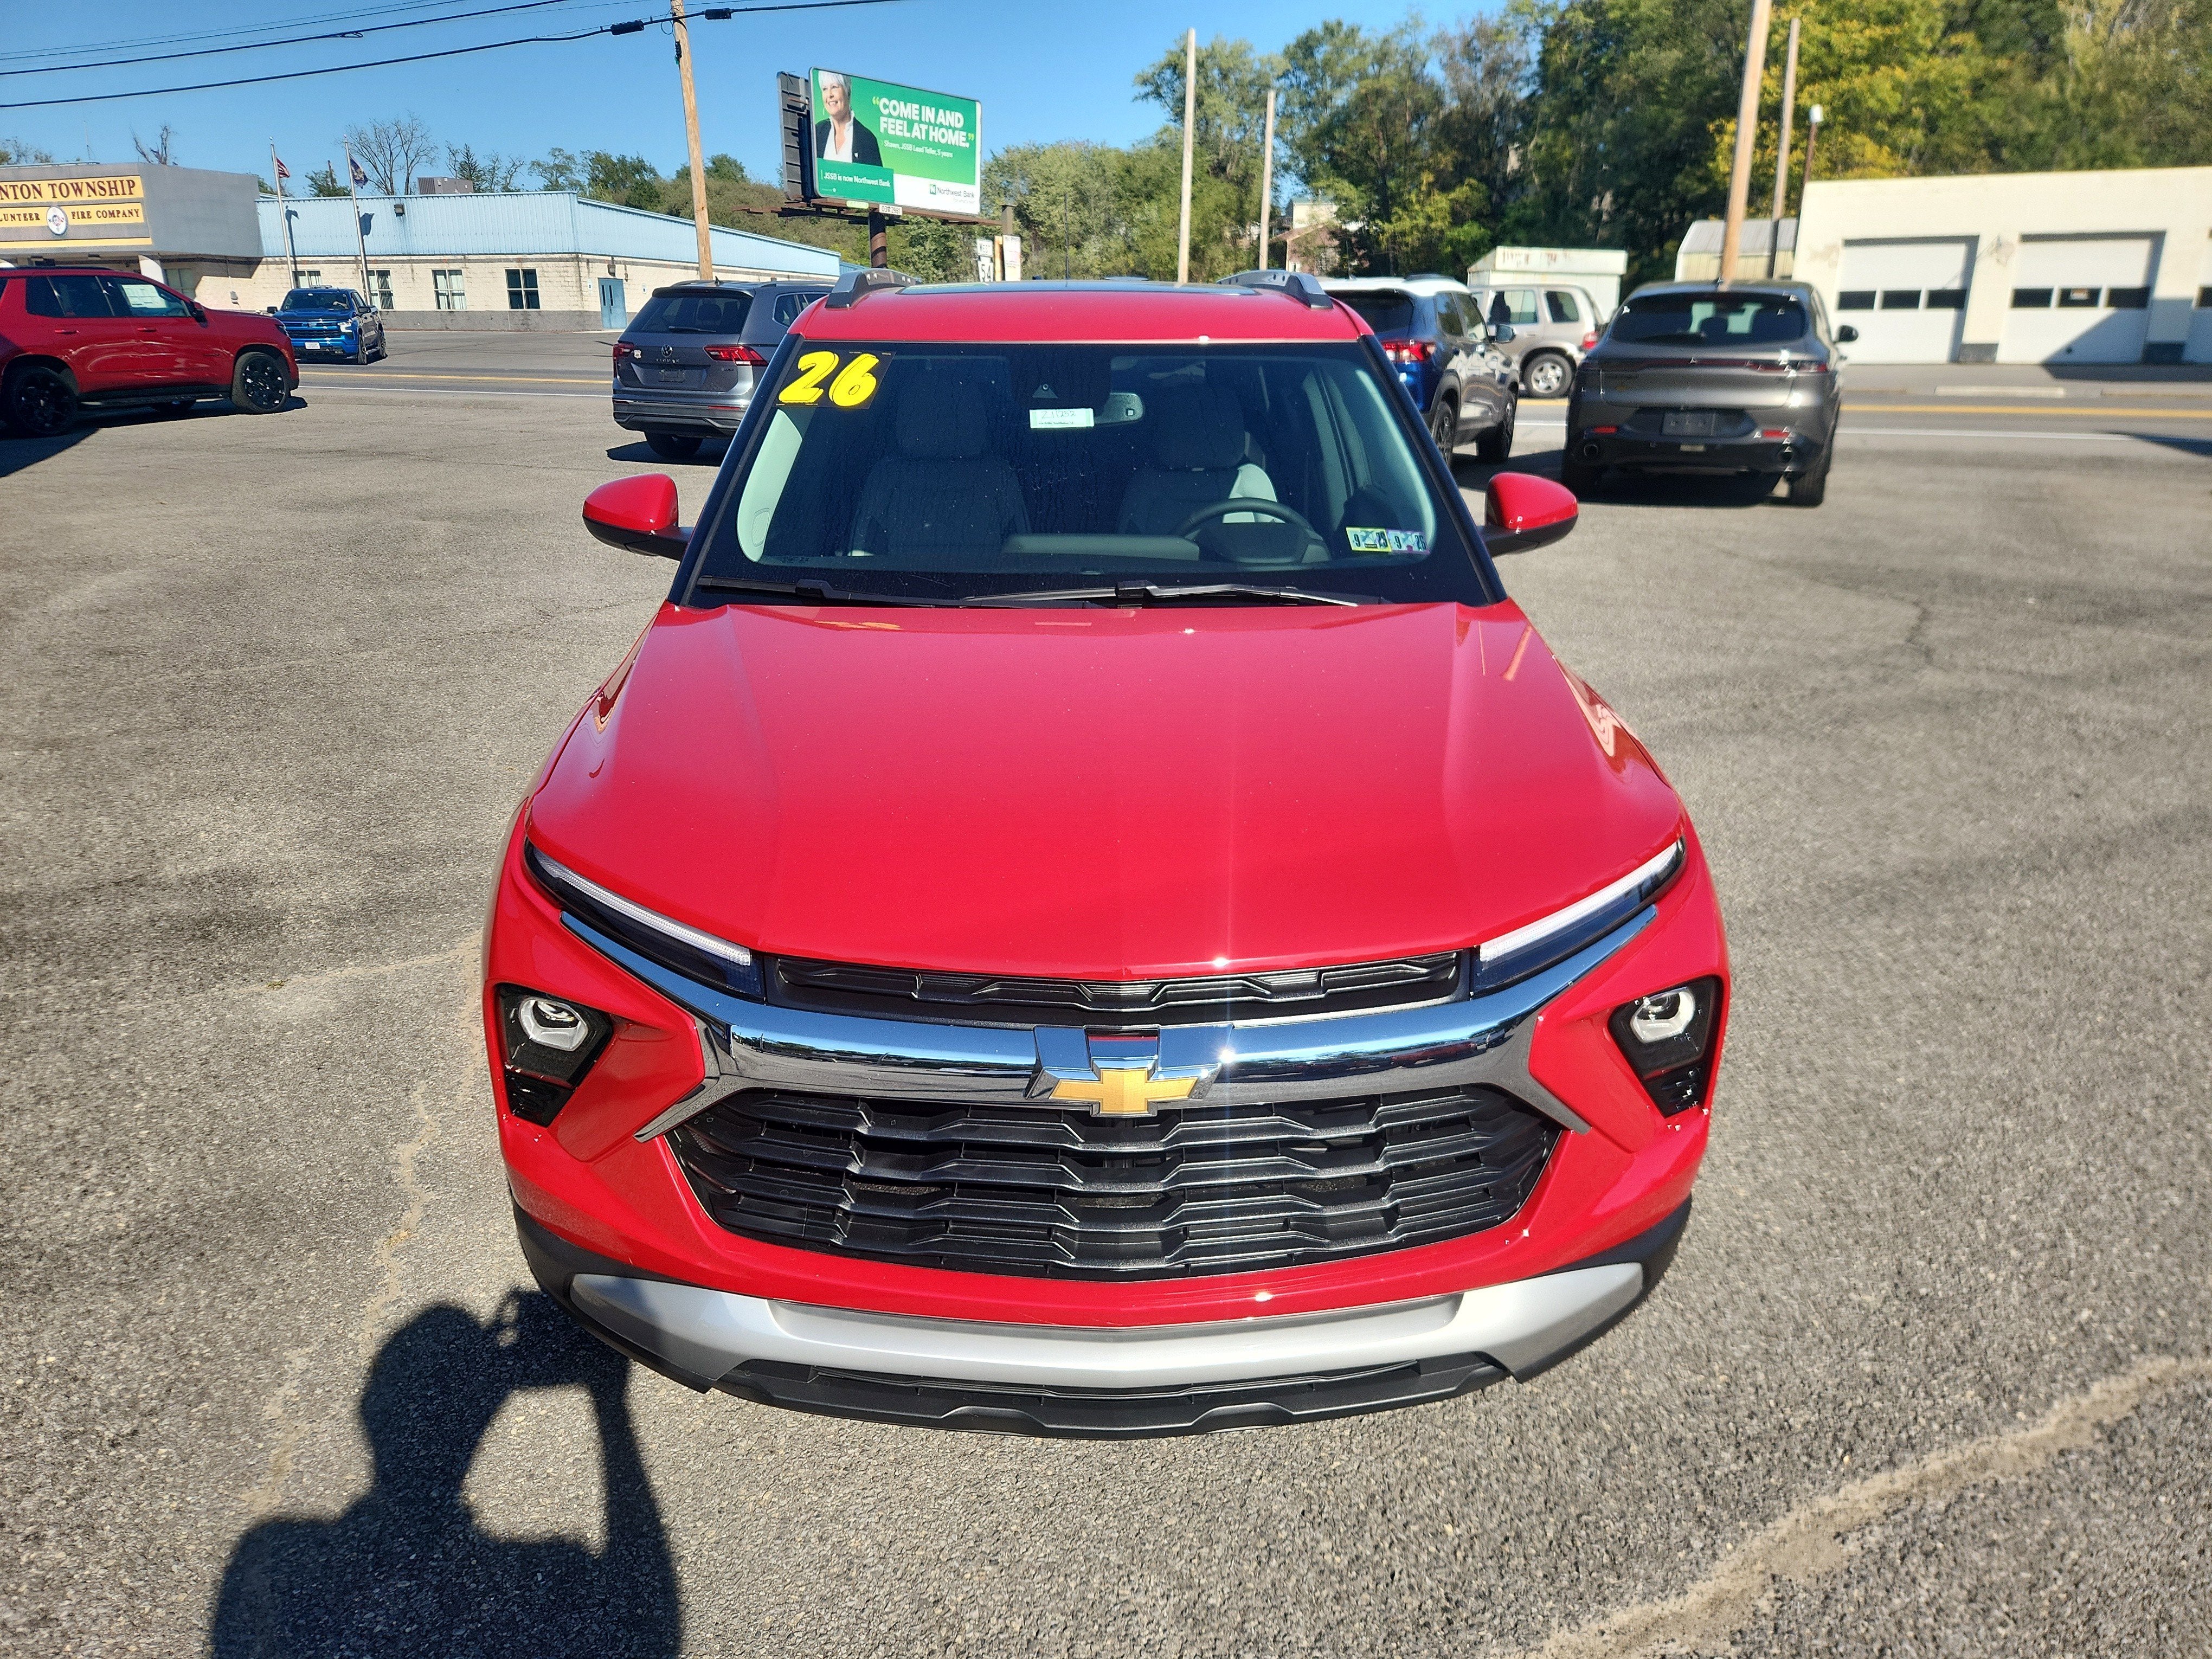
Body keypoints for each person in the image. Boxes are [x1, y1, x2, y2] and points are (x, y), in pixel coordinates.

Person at [814, 72, 883, 167]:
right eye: (825, 89)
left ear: (848, 92)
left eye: (834, 87)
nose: (829, 95)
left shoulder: (867, 139)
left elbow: (875, 176)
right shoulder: (817, 132)